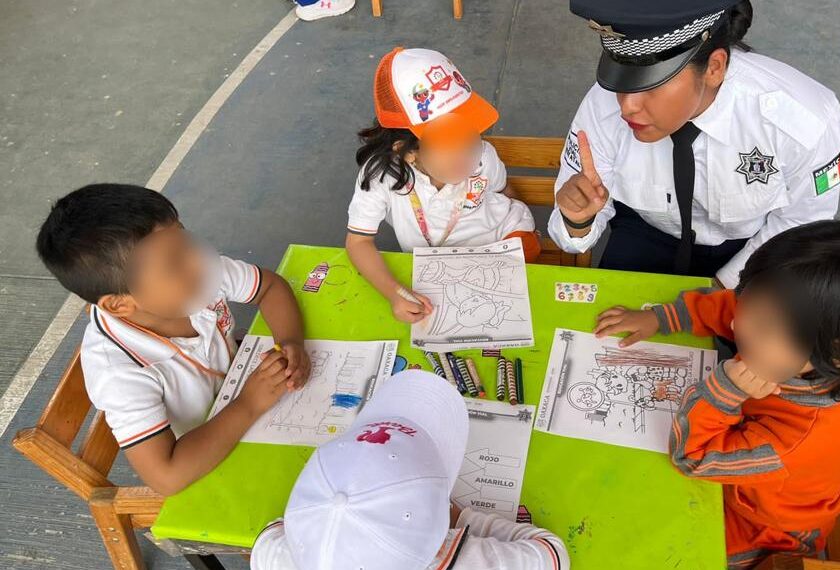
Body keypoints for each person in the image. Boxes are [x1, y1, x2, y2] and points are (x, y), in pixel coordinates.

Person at [592, 220, 840, 568]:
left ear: (835, 352)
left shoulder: (795, 441)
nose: (738, 324)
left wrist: (724, 391)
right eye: (749, 304)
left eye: (761, 326)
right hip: (745, 477)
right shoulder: (789, 332)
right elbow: (728, 307)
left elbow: (692, 457)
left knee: (646, 544)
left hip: (764, 530)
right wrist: (662, 318)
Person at [35, 184, 311, 495]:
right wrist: (249, 403)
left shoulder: (195, 274)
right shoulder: (119, 373)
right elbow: (167, 477)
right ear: (119, 304)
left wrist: (290, 342)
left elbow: (270, 288)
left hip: (250, 396)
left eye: (185, 239)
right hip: (206, 458)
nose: (197, 260)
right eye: (174, 262)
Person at [551, 0, 840, 288]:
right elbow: (574, 228)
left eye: (651, 84)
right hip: (646, 234)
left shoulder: (804, 122)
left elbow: (801, 224)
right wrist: (578, 220)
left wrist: (718, 291)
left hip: (753, 249)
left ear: (714, 68)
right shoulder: (602, 108)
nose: (627, 106)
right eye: (624, 82)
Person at [250, 369, 570, 570]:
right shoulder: (467, 560)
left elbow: (269, 535)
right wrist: (460, 518)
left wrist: (318, 519)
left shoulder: (276, 558)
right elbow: (552, 553)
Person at [345, 47, 540, 324]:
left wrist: (524, 229)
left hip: (501, 242)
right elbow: (358, 242)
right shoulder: (381, 175)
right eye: (449, 144)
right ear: (406, 151)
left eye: (470, 138)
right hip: (436, 266)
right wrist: (394, 293)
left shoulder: (484, 156)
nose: (467, 156)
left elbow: (504, 193)